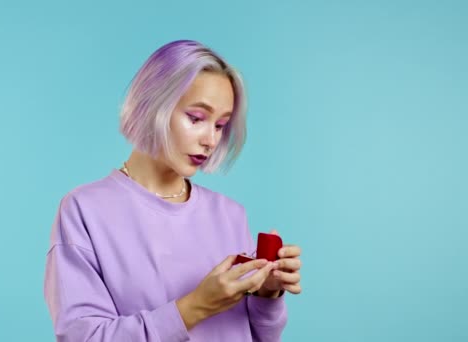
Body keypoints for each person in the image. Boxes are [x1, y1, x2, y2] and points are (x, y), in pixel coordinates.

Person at [43, 39, 303, 341]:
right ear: (152, 105)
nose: (210, 139)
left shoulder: (230, 214)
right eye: (196, 118)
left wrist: (267, 295)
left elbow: (259, 337)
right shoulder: (84, 211)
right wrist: (194, 307)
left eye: (220, 125)